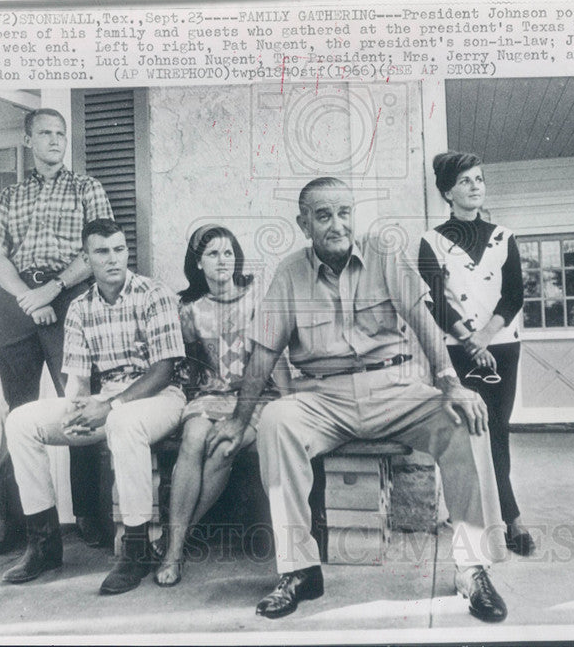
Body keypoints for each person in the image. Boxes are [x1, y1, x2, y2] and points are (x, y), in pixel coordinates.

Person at [206, 177, 508, 623]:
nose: (336, 224)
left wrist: (450, 382)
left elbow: (423, 322)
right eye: (323, 216)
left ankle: (472, 567)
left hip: (393, 388)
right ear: (304, 223)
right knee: (276, 421)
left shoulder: (384, 255)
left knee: (465, 420)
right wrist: (237, 419)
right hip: (323, 396)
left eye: (344, 213)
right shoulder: (289, 272)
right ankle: (300, 569)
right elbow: (264, 353)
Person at [1, 219, 188, 595]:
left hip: (159, 399)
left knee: (122, 422)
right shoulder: (80, 307)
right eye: (102, 252)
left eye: (119, 249)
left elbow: (164, 369)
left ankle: (136, 550)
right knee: (21, 421)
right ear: (86, 259)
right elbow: (79, 378)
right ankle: (44, 543)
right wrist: (75, 408)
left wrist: (111, 405)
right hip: (108, 401)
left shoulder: (154, 294)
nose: (113, 259)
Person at [0, 108, 114, 555]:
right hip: (19, 303)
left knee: (77, 403)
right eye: (46, 134)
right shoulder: (9, 196)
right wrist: (25, 297)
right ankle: (14, 521)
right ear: (28, 139)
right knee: (15, 412)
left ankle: (90, 515)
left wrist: (53, 289)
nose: (55, 141)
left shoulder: (86, 188)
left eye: (61, 134)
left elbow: (96, 250)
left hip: (69, 296)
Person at [155, 224, 288, 587]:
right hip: (209, 396)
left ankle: (173, 546)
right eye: (213, 253)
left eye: (228, 252)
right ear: (197, 263)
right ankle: (177, 544)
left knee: (223, 447)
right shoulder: (189, 311)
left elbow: (276, 358)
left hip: (255, 397)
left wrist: (291, 404)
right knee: (194, 437)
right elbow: (182, 367)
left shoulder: (258, 300)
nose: (222, 260)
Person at [419, 151, 534, 557]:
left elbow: (515, 294)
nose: (475, 186)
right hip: (457, 350)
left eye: (480, 179)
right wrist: (469, 341)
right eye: (466, 180)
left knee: (497, 429)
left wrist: (485, 336)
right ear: (448, 192)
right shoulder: (430, 241)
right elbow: (434, 301)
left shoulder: (504, 236)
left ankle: (509, 518)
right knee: (468, 433)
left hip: (501, 345)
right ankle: (472, 522)